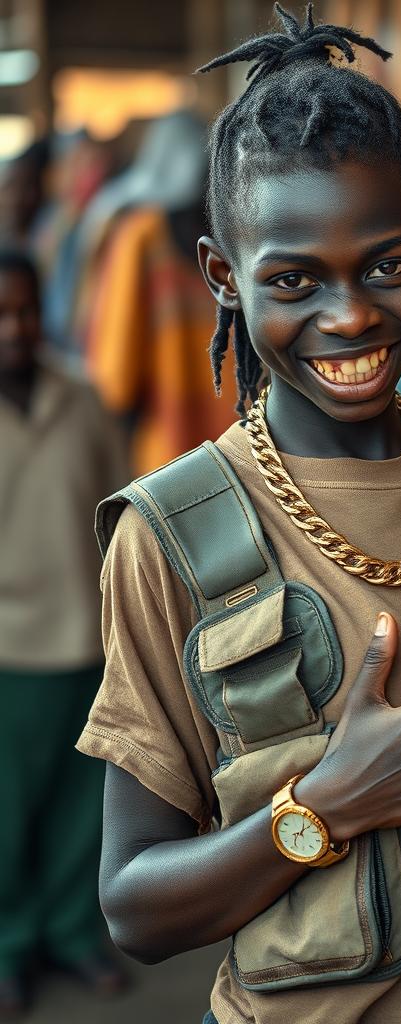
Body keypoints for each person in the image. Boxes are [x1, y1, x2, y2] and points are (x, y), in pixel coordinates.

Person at [75, 7, 401, 1024]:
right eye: (293, 280)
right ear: (225, 277)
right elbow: (134, 907)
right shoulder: (171, 533)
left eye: (387, 265)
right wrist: (323, 806)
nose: (350, 314)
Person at [0, 249, 129, 1018]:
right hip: (8, 651)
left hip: (88, 636)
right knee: (7, 816)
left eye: (23, 310)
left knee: (87, 808)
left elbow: (117, 517)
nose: (13, 328)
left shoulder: (81, 397)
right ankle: (10, 944)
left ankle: (74, 932)